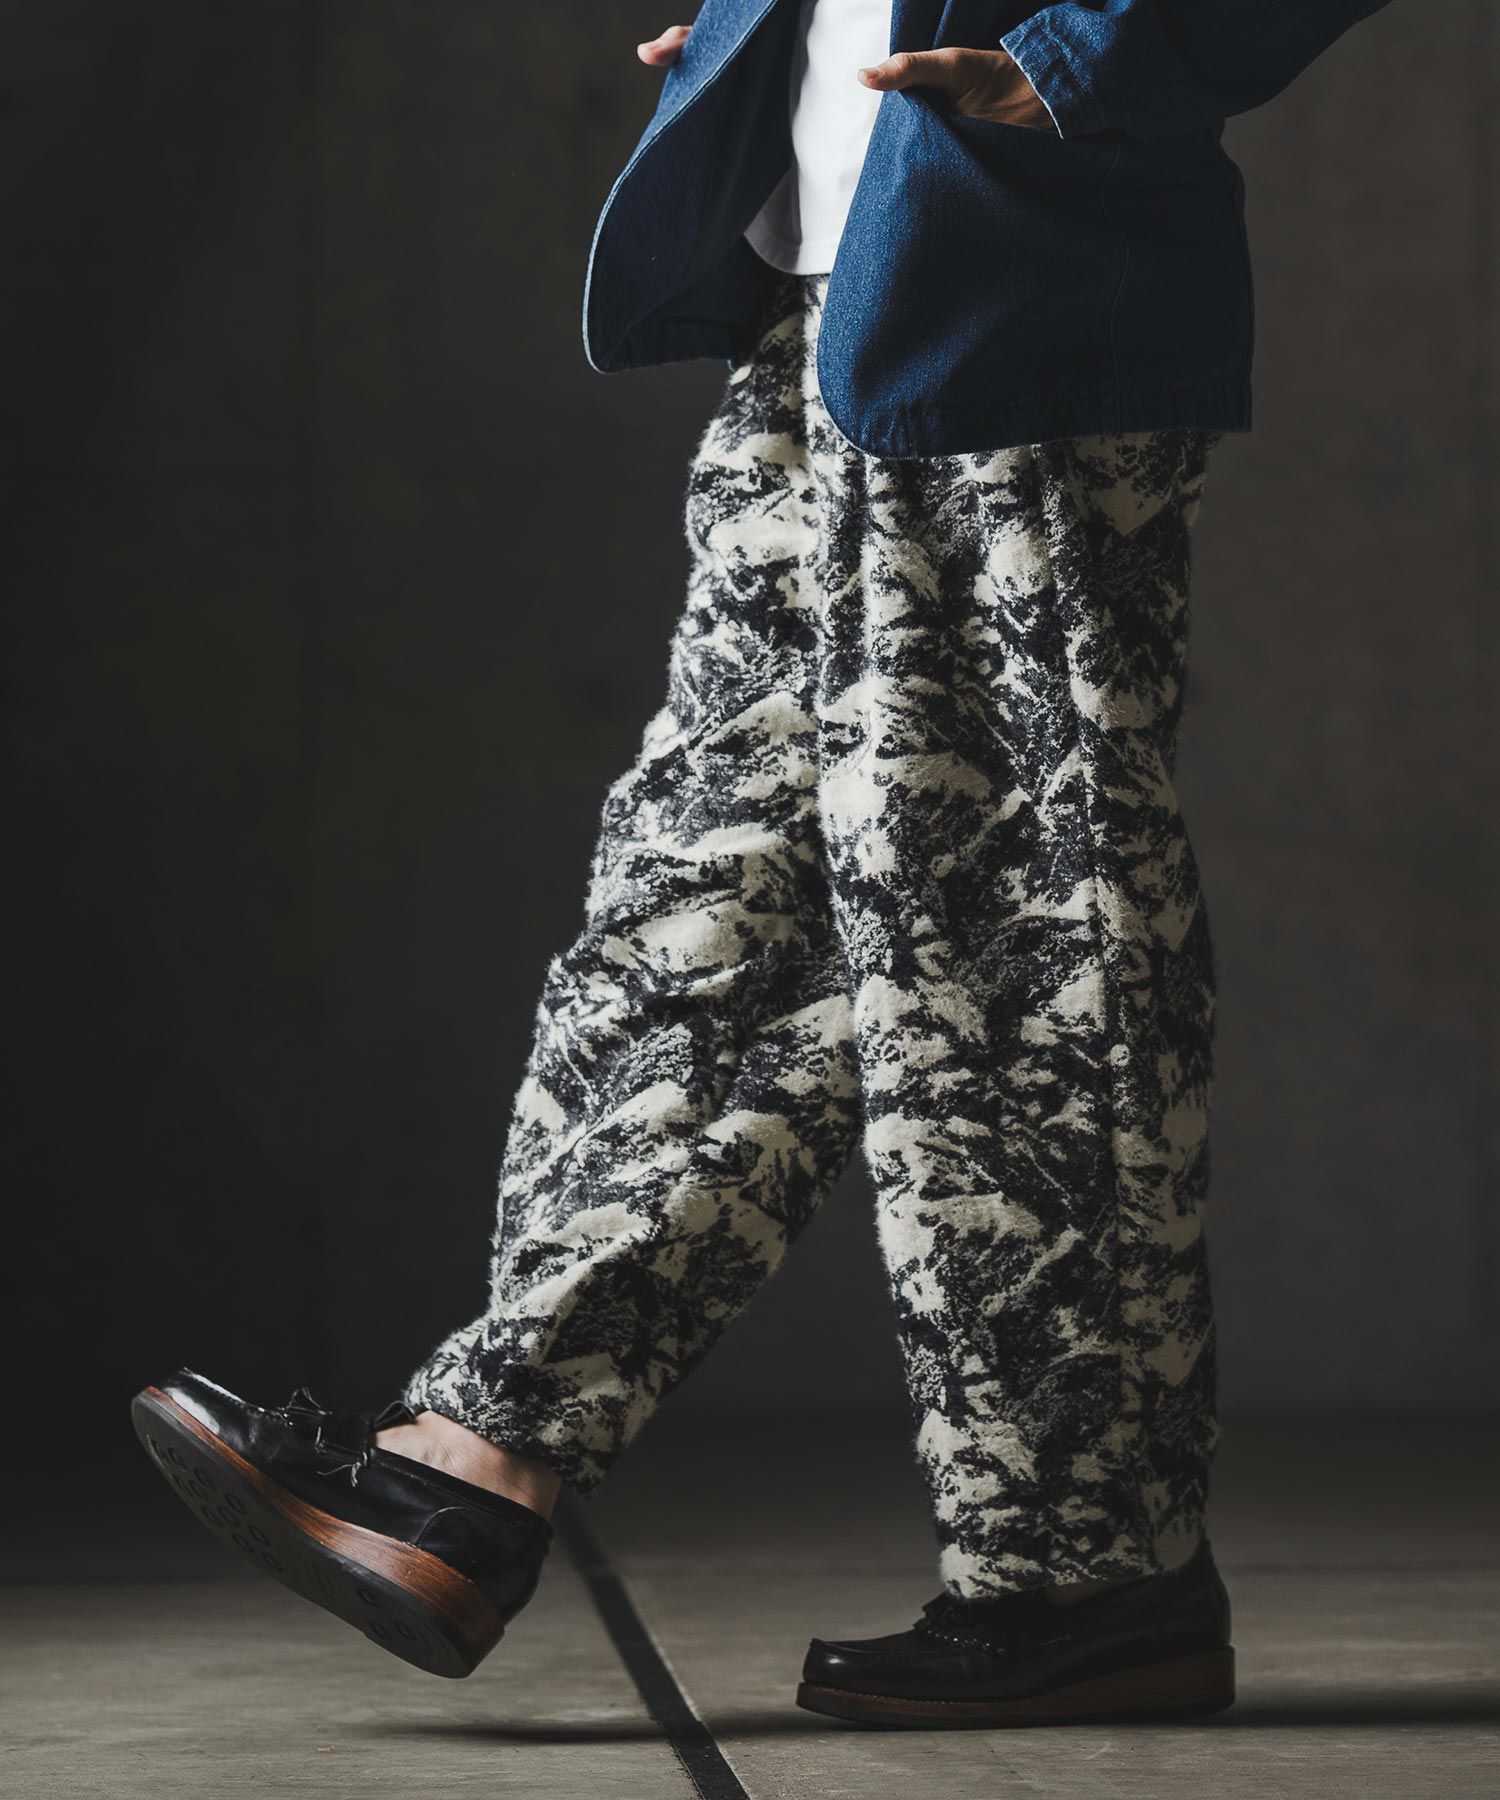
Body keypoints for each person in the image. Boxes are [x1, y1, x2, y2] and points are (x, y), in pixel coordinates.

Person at [133, 0, 1390, 1729]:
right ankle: (473, 1460)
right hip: (825, 306)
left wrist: (1092, 58)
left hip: (1014, 306)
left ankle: (1094, 1570)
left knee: (1008, 944)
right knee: (701, 910)